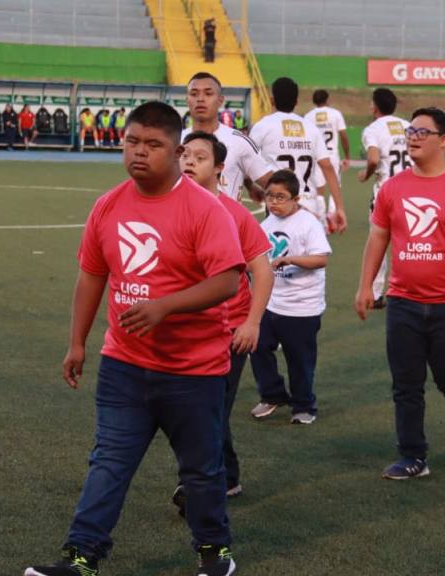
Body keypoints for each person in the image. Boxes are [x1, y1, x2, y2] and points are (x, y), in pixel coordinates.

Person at [23, 102, 243, 576]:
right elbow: (91, 276)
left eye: (153, 145)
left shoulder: (206, 210)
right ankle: (80, 557)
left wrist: (166, 306)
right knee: (108, 464)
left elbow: (227, 280)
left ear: (177, 149)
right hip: (124, 366)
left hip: (194, 370)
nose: (140, 153)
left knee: (202, 471)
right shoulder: (108, 204)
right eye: (132, 142)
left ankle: (214, 552)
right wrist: (77, 342)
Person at [355, 107, 445, 480]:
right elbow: (378, 237)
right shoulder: (393, 188)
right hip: (404, 304)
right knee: (406, 384)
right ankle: (412, 455)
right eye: (410, 130)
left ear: (443, 140)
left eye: (422, 132)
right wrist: (367, 285)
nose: (412, 136)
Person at [170, 131, 274, 515]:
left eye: (200, 156)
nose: (189, 161)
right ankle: (226, 475)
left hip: (229, 331)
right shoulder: (165, 209)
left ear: (219, 169)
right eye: (185, 155)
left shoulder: (234, 214)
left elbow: (262, 273)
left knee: (208, 410)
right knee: (198, 410)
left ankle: (197, 485)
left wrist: (252, 322)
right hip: (182, 331)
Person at [248, 169, 331, 424]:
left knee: (300, 361)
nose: (273, 202)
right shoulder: (266, 223)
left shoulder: (309, 223)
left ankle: (304, 405)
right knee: (258, 347)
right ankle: (272, 395)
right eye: (270, 196)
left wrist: (289, 259)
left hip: (301, 308)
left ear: (296, 199)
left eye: (281, 197)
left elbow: (321, 259)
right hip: (271, 303)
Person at [250, 76, 347, 233]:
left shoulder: (262, 127)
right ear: (296, 101)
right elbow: (328, 167)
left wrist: (251, 185)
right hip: (309, 205)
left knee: (279, 254)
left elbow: (248, 162)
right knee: (307, 255)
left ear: (271, 99)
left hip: (279, 203)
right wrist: (340, 207)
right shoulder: (311, 128)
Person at [358, 87, 410, 308]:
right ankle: (408, 290)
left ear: (375, 106)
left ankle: (377, 293)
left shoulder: (373, 129)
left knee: (378, 241)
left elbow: (372, 158)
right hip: (411, 191)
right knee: (410, 244)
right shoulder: (409, 126)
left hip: (386, 193)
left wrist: (366, 174)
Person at [184, 72, 273, 202]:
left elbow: (269, 181)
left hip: (227, 220)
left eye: (208, 93)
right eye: (194, 94)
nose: (200, 99)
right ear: (187, 100)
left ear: (220, 100)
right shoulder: (175, 141)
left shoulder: (239, 141)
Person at [304, 89, 351, 183]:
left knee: (318, 189)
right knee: (335, 187)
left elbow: (305, 139)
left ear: (314, 101)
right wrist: (347, 156)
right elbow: (343, 136)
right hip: (332, 156)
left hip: (316, 157)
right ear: (327, 99)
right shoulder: (336, 114)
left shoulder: (308, 116)